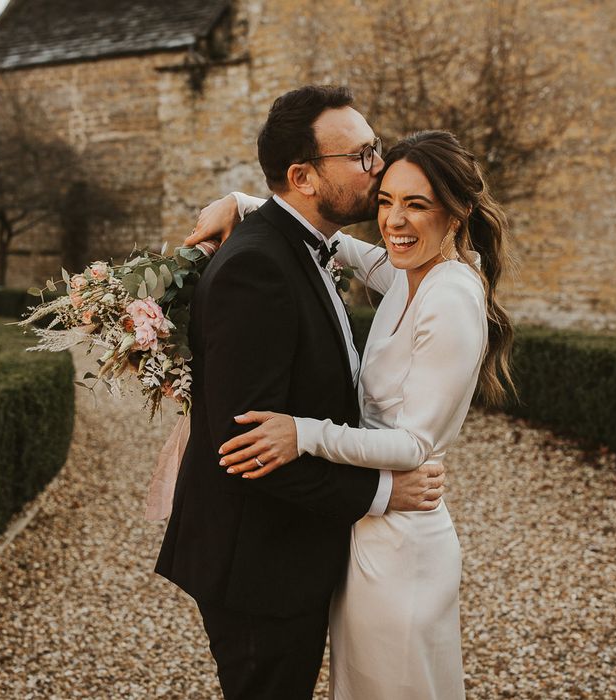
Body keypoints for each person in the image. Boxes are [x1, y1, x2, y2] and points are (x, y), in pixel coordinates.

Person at [189, 129, 515, 698]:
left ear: (457, 213)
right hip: (365, 531)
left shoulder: (452, 296)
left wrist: (303, 433)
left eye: (417, 204)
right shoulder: (408, 277)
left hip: (406, 543)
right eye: (386, 200)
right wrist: (244, 205)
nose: (395, 220)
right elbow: (336, 245)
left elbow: (414, 447)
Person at [155, 85, 446, 700]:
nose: (380, 167)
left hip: (287, 548)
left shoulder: (301, 245)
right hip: (257, 562)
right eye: (364, 156)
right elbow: (246, 448)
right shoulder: (258, 267)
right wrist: (382, 491)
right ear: (303, 176)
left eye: (377, 149)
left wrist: (242, 199)